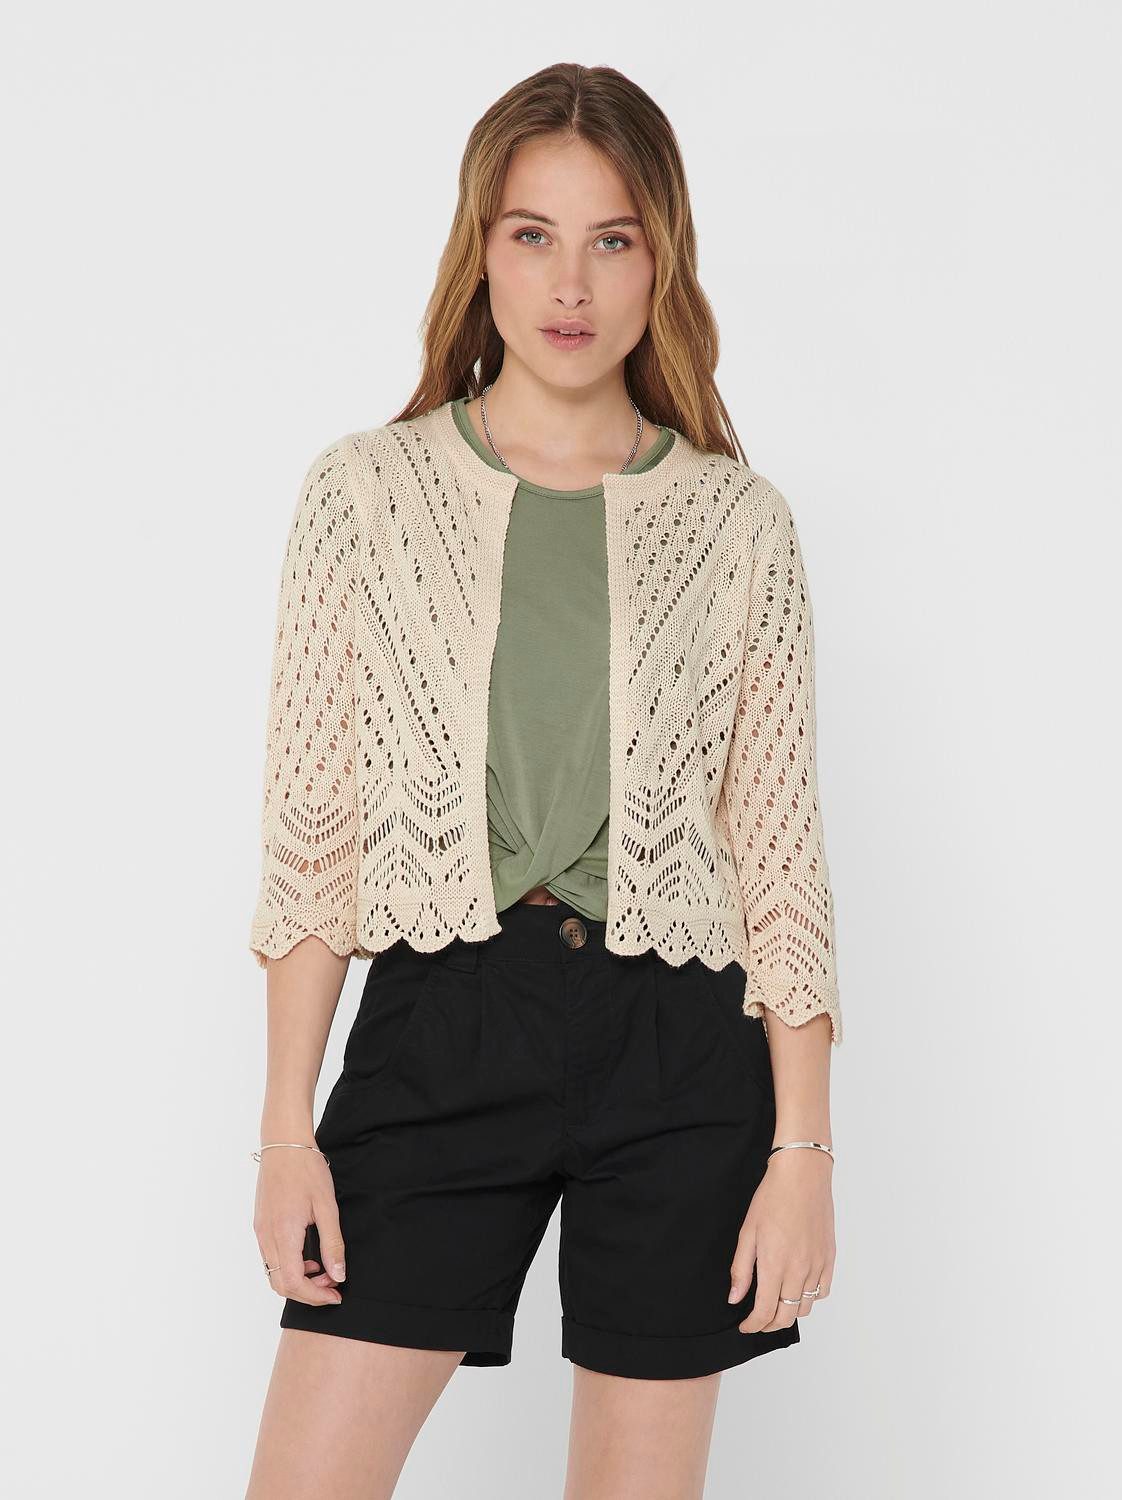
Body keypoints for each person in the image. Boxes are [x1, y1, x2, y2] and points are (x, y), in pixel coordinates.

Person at [245, 61, 842, 1500]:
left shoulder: (737, 524)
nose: (570, 283)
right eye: (532, 235)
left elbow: (778, 855)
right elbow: (313, 832)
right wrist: (285, 1129)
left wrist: (802, 1153)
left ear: (661, 259)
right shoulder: (365, 493)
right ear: (482, 249)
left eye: (611, 239)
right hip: (443, 1025)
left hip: (678, 1046)